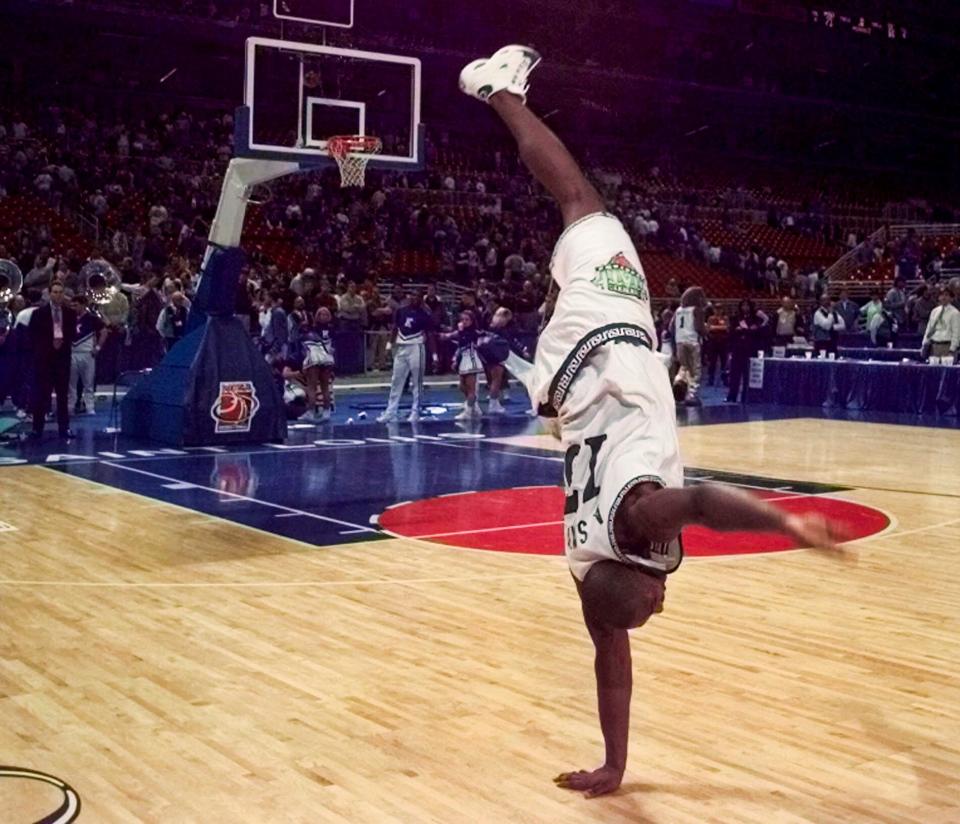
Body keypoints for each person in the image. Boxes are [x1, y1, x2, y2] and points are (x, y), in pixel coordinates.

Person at [459, 45, 848, 798]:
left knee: (581, 203)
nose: (659, 603)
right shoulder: (584, 566)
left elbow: (702, 503)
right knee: (574, 247)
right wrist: (615, 766)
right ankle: (551, 294)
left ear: (633, 564)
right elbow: (611, 661)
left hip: (605, 341)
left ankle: (495, 91)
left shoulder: (639, 520)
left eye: (650, 601)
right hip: (567, 389)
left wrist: (794, 527)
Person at [29, 280, 76, 438]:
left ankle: (64, 428)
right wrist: (51, 343)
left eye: (60, 292)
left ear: (64, 294)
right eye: (55, 292)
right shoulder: (38, 313)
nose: (57, 295)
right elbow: (33, 336)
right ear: (49, 294)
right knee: (42, 394)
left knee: (63, 395)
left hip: (62, 359)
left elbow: (72, 334)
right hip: (45, 359)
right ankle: (37, 428)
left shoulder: (70, 313)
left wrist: (62, 341)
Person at [377, 290, 433, 423]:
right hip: (401, 346)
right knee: (396, 380)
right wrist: (389, 344)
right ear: (408, 296)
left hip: (416, 346)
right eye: (412, 295)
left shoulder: (425, 314)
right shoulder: (401, 311)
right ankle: (391, 411)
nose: (414, 298)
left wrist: (434, 355)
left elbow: (429, 333)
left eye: (417, 296)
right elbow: (395, 328)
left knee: (417, 381)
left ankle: (415, 411)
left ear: (421, 298)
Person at [439, 309, 484, 420]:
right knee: (462, 387)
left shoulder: (474, 333)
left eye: (467, 320)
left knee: (471, 388)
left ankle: (468, 412)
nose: (464, 322)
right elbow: (455, 340)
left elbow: (466, 340)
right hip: (463, 359)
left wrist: (458, 332)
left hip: (471, 359)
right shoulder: (461, 332)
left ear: (472, 321)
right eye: (462, 319)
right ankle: (474, 406)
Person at [68, 294, 106, 414]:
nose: (73, 308)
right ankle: (71, 406)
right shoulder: (68, 317)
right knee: (71, 384)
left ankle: (90, 406)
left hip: (87, 353)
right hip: (72, 352)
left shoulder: (92, 318)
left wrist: (98, 347)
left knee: (88, 383)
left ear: (83, 305)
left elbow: (104, 332)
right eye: (72, 305)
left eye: (76, 305)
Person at [726, 299, 767, 403]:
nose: (745, 308)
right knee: (734, 374)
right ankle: (731, 396)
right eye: (743, 306)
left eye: (747, 306)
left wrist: (746, 330)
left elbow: (758, 332)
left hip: (750, 350)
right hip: (737, 349)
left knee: (747, 375)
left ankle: (745, 397)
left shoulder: (756, 319)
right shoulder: (735, 318)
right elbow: (731, 332)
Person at [301, 307, 337, 423]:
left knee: (312, 386)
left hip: (315, 358)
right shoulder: (333, 329)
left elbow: (303, 342)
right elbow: (334, 347)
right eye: (322, 314)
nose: (324, 317)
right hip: (327, 358)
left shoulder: (311, 329)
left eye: (326, 314)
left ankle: (311, 412)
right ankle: (326, 412)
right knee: (324, 386)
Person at [671, 286, 706, 406]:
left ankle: (677, 383)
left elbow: (671, 327)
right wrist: (707, 331)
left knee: (684, 367)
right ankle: (692, 395)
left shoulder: (679, 310)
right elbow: (699, 327)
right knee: (695, 370)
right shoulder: (697, 309)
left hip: (680, 341)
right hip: (692, 341)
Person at [921, 286, 959, 362]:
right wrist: (924, 344)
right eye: (941, 295)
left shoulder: (955, 313)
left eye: (946, 295)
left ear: (951, 298)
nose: (943, 297)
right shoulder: (934, 311)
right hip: (933, 346)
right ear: (938, 297)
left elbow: (957, 333)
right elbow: (929, 329)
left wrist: (952, 349)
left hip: (947, 346)